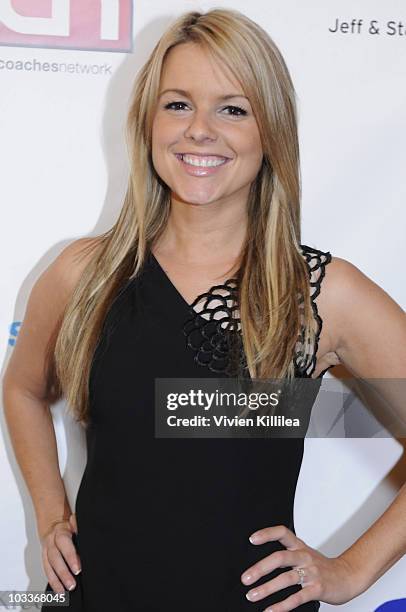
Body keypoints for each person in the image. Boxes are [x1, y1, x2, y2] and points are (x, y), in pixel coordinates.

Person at [3, 8, 406, 612]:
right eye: (178, 104)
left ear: (269, 131)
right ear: (147, 121)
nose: (200, 130)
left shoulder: (319, 294)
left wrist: (351, 570)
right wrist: (50, 509)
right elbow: (24, 390)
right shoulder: (82, 274)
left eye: (233, 108)